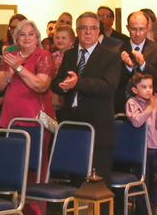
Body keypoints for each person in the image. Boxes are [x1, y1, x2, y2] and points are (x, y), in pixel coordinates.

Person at [0, 20, 55, 215]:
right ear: (16, 38)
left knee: (36, 169)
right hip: (12, 118)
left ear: (37, 37)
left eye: (31, 34)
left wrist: (18, 68)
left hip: (36, 119)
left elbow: (41, 85)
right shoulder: (11, 56)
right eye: (22, 34)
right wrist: (9, 72)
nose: (27, 38)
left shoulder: (43, 56)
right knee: (17, 168)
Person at [51, 12, 121, 183]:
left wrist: (78, 83)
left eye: (92, 28)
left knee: (98, 185)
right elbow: (56, 83)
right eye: (84, 28)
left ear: (98, 31)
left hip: (98, 127)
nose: (88, 32)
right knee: (77, 181)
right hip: (73, 125)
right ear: (77, 31)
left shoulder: (110, 56)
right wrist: (63, 86)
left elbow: (108, 86)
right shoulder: (70, 54)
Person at [123, 73, 157, 215]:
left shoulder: (154, 102)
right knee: (143, 180)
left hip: (155, 146)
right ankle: (141, 212)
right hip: (140, 149)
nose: (148, 90)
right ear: (135, 89)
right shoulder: (132, 103)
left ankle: (152, 206)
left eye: (150, 86)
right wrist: (151, 108)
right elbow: (137, 121)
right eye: (144, 87)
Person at [116, 11, 157, 113]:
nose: (138, 34)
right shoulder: (117, 50)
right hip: (122, 106)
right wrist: (128, 68)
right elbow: (113, 81)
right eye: (134, 29)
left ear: (148, 28)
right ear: (128, 28)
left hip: (149, 108)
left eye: (142, 29)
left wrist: (144, 65)